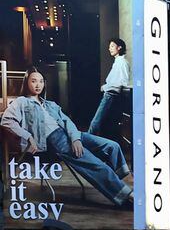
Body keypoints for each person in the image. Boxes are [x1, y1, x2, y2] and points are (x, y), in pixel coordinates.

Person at [1, 68, 132, 209]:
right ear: (26, 83)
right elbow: (6, 121)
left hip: (71, 134)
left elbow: (67, 122)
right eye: (33, 81)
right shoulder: (21, 102)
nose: (38, 85)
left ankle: (119, 183)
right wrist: (28, 137)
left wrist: (75, 138)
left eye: (40, 81)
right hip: (54, 140)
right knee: (96, 165)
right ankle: (125, 196)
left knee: (112, 146)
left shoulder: (50, 104)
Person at [87, 37, 132, 139]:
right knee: (101, 122)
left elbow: (122, 82)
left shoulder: (122, 63)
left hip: (111, 95)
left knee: (96, 121)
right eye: (109, 47)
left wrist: (105, 87)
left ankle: (86, 143)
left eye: (112, 46)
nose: (109, 49)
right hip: (110, 95)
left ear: (119, 47)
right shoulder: (118, 62)